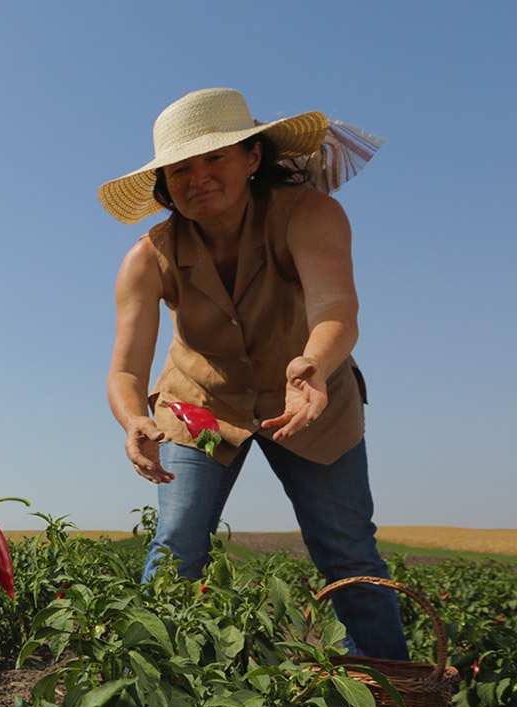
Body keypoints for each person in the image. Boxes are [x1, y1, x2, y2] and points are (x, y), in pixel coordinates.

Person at [100, 87, 408, 660]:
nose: (199, 178)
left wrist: (312, 366)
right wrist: (133, 419)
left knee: (348, 552)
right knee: (179, 544)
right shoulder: (148, 256)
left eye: (215, 157)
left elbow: (337, 309)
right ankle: (146, 702)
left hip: (308, 395)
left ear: (252, 157)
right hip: (200, 406)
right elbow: (124, 368)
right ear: (164, 184)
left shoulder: (309, 214)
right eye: (181, 169)